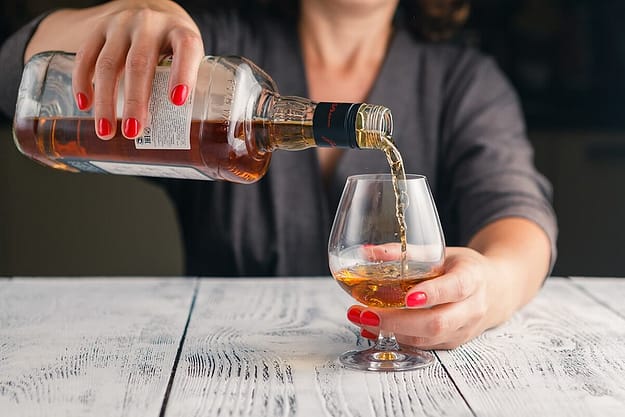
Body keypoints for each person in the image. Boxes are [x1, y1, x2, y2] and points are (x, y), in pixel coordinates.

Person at [0, 0, 557, 350]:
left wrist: (491, 285)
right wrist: (109, 21)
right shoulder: (210, 49)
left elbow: (518, 214)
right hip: (220, 370)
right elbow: (11, 76)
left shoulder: (463, 81)